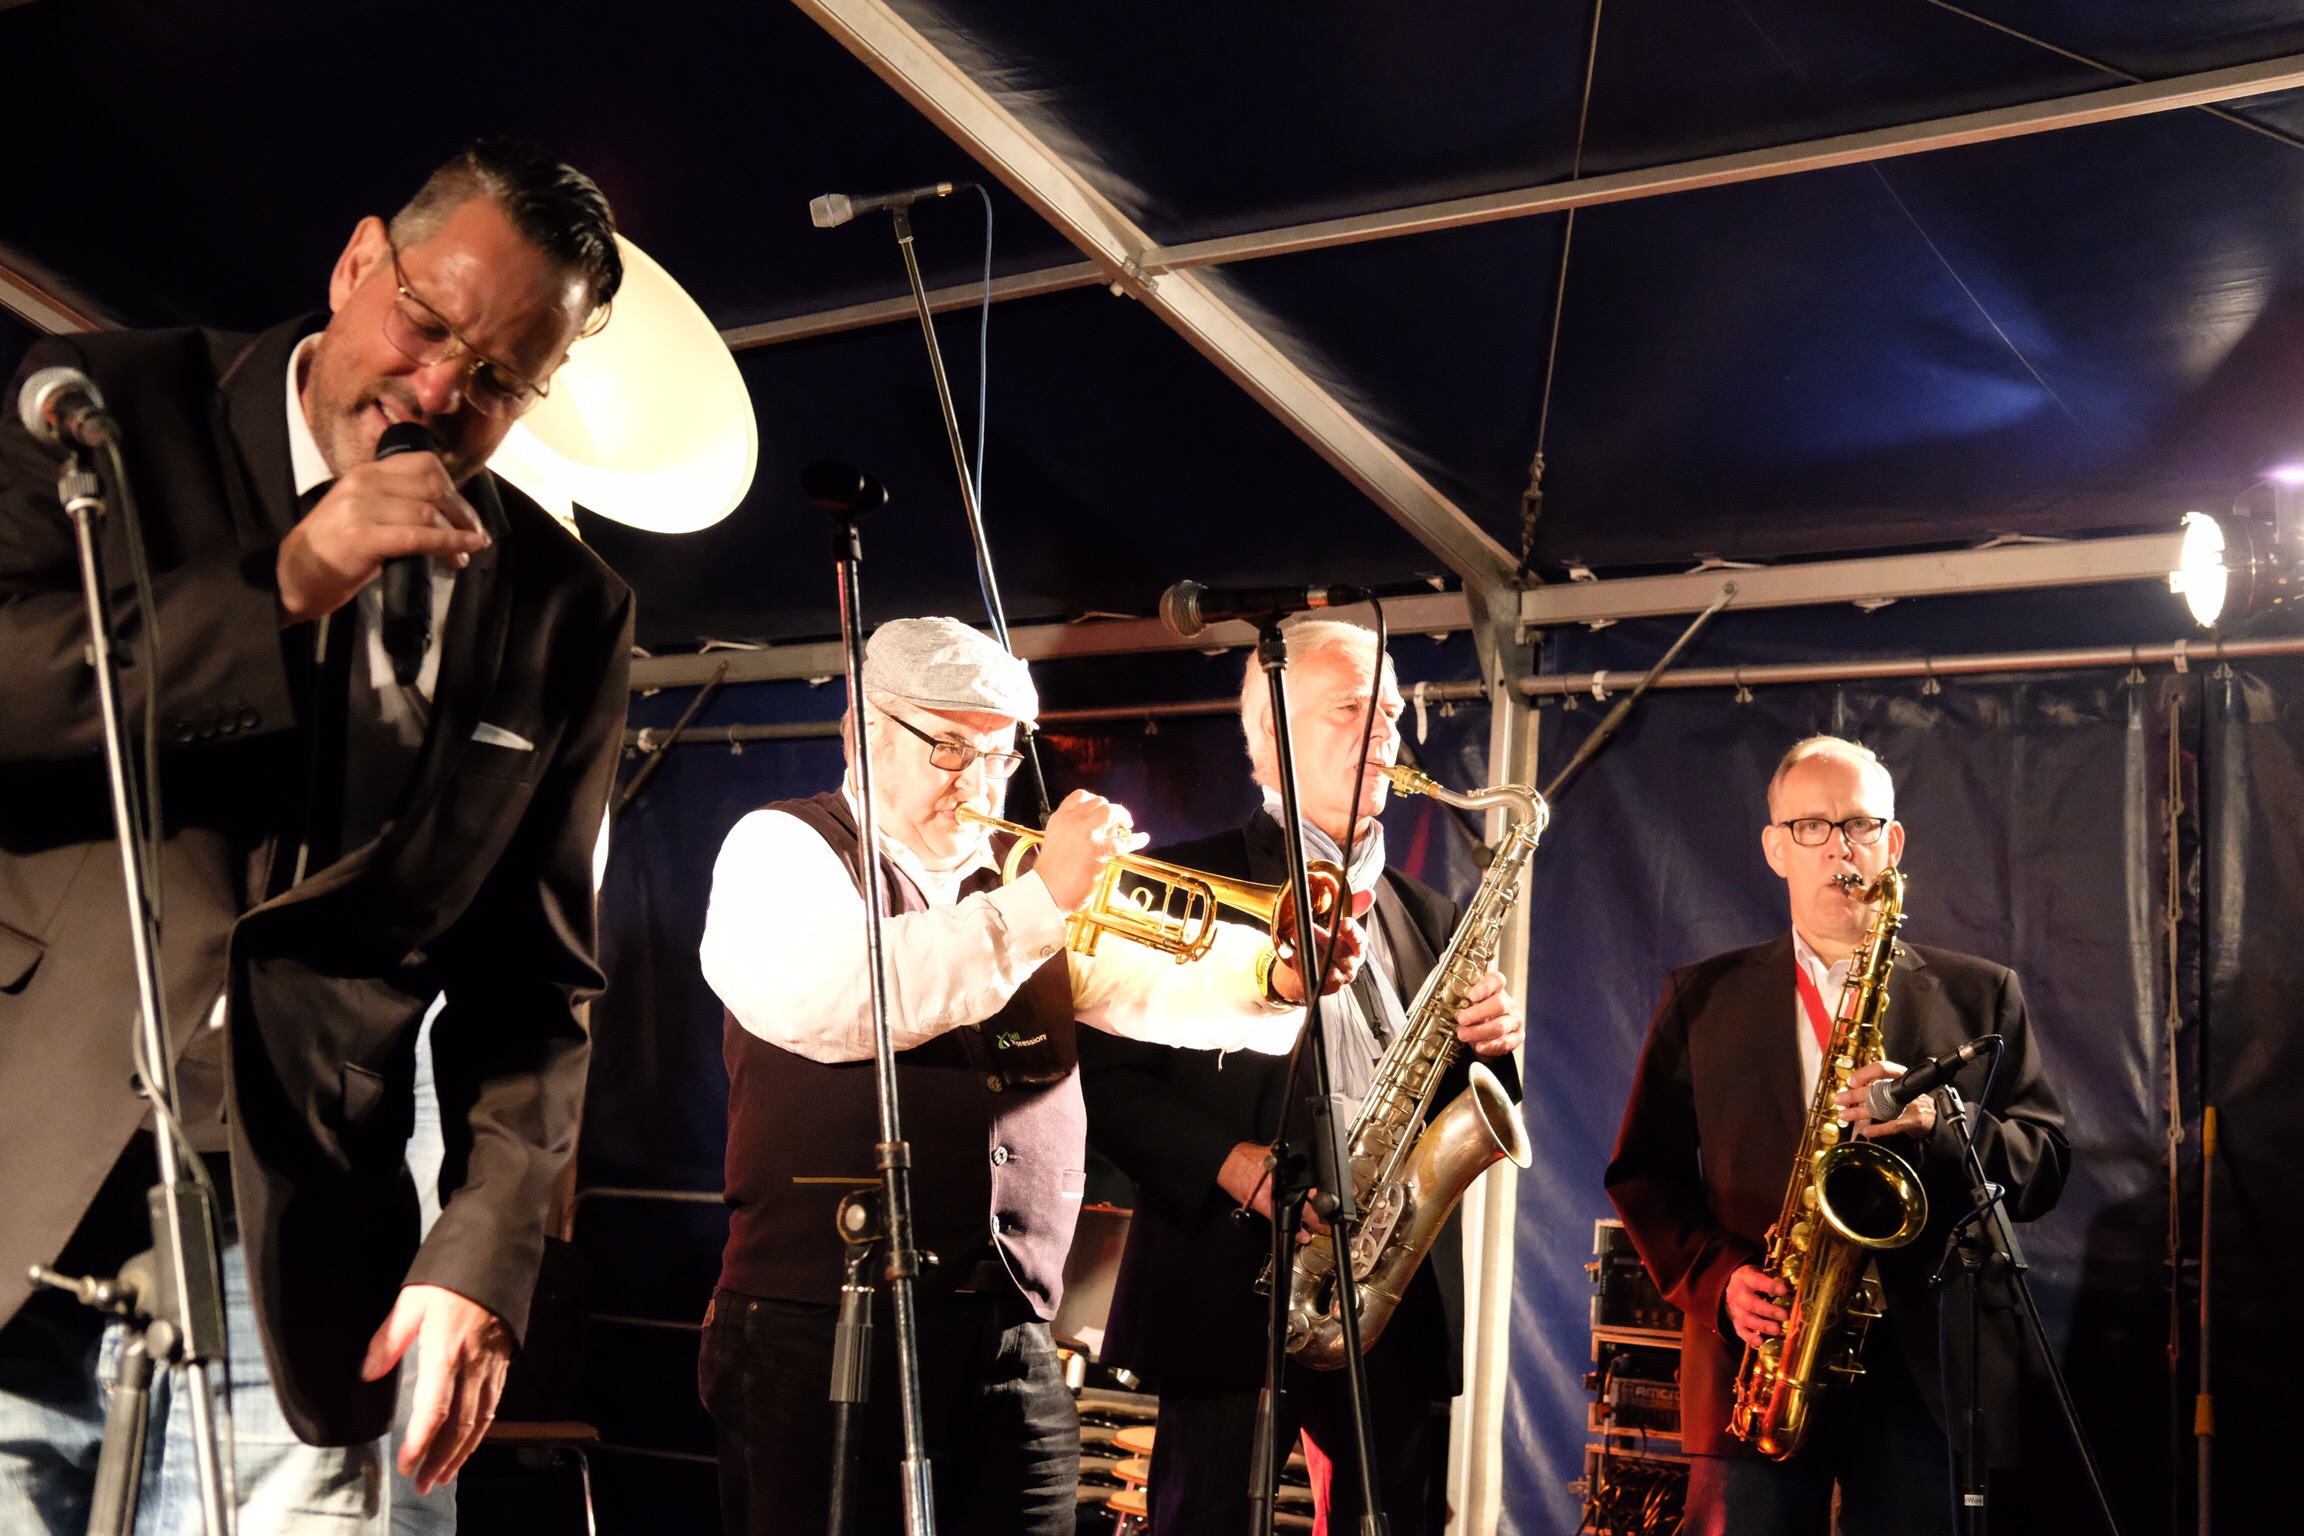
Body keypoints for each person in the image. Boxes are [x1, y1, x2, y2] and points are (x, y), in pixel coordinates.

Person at [0, 140, 634, 1531]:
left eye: (498, 380)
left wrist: (483, 1251)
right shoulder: (105, 409)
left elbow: (536, 981)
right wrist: (280, 583)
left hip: (296, 1246)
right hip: (21, 1165)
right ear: (357, 264)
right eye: (427, 325)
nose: (438, 392)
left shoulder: (567, 608)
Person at [695, 616, 1362, 1536]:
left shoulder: (1013, 886)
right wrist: (1043, 897)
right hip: (822, 1327)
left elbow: (1147, 984)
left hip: (1008, 1334)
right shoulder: (782, 848)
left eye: (999, 756)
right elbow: (849, 996)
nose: (976, 783)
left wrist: (1275, 977)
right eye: (948, 748)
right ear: (862, 732)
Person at [1076, 618, 1525, 1536]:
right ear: (1271, 735)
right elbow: (1104, 1078)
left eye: (1391, 711)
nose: (1384, 732)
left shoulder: (1432, 915)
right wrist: (1230, 1163)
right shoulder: (1179, 881)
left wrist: (1492, 1044)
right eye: (1351, 709)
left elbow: (1472, 1106)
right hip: (1232, 1284)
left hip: (1391, 1294)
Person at [1605, 735, 2070, 1535]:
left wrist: (1939, 1120)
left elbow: (2045, 1163)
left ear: (1893, 843)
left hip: (1925, 1377)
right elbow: (1643, 1175)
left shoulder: (1982, 994)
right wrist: (1721, 1281)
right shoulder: (1702, 997)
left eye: (1859, 824)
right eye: (1812, 827)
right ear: (1775, 849)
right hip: (1761, 1358)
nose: (1839, 848)